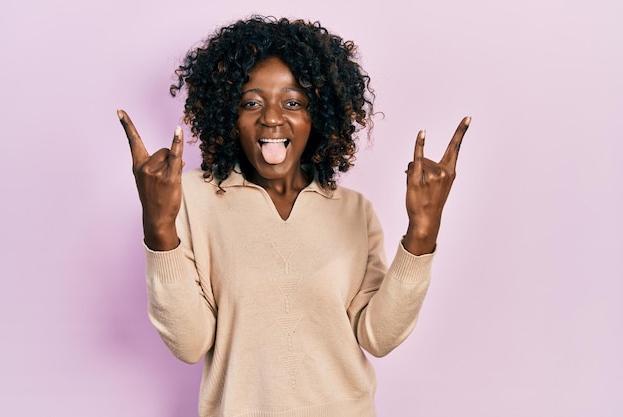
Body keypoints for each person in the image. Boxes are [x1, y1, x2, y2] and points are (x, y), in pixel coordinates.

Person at [118, 15, 470, 417]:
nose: (271, 118)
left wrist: (423, 232)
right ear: (228, 113)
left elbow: (377, 337)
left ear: (316, 116)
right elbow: (189, 343)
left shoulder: (354, 211)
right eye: (251, 102)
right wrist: (159, 226)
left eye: (293, 102)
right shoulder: (192, 198)